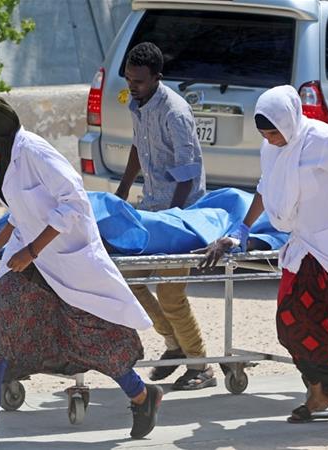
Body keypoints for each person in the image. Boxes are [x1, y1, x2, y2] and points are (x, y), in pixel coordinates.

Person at [0, 97, 162, 447]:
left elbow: (74, 202)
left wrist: (32, 250)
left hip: (64, 260)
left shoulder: (36, 153)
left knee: (90, 335)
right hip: (29, 262)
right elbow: (20, 212)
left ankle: (141, 396)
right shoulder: (6, 159)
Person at [200, 85, 328, 425]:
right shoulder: (271, 149)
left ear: (289, 121)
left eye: (274, 132)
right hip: (303, 247)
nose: (270, 139)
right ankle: (319, 393)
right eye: (264, 134)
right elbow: (264, 186)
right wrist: (240, 229)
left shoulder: (324, 140)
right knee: (292, 322)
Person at [115, 41, 215, 390]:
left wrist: (175, 217)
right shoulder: (138, 103)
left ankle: (200, 366)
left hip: (180, 214)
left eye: (139, 81)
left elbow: (187, 173)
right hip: (151, 209)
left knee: (172, 296)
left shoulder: (175, 112)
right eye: (128, 79)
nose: (132, 86)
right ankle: (175, 347)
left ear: (157, 77)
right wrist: (124, 189)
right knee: (130, 279)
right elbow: (139, 146)